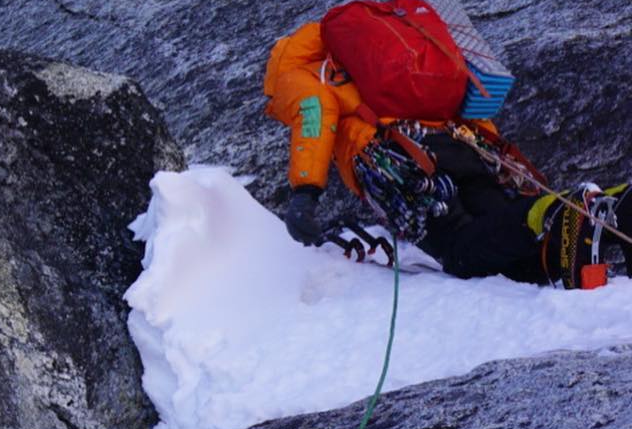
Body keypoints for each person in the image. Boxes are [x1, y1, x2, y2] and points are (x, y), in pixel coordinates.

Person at [263, 17, 629, 286]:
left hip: (401, 160)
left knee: (459, 251)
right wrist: (492, 150)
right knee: (505, 249)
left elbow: (313, 110)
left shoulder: (298, 71)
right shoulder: (391, 46)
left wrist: (305, 192)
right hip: (463, 141)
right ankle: (614, 205)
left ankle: (559, 212)